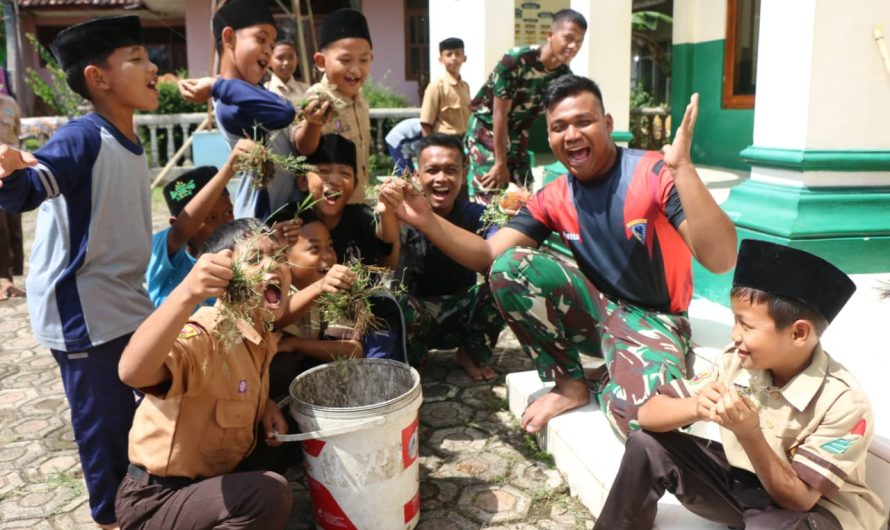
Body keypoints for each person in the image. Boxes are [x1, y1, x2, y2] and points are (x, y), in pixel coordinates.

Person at [384, 74, 737, 437]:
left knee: (638, 419)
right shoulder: (554, 195)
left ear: (608, 124)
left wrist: (683, 169)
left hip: (653, 319)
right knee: (511, 268)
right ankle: (569, 384)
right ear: (550, 136)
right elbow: (489, 254)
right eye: (559, 127)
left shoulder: (652, 172)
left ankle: (612, 377)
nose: (571, 135)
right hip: (595, 310)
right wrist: (425, 219)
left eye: (584, 121)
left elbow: (721, 259)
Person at [594, 239, 886, 530]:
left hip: (818, 513)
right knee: (648, 444)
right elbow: (646, 415)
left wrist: (750, 433)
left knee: (777, 525)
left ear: (798, 334)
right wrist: (696, 406)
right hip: (751, 489)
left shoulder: (843, 401)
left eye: (746, 325)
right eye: (734, 321)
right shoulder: (736, 361)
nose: (734, 334)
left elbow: (800, 500)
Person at [0, 16, 159, 529]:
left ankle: (147, 491)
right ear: (99, 78)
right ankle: (111, 516)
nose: (153, 66)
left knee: (143, 397)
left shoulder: (128, 137)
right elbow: (32, 185)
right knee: (103, 421)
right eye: (136, 57)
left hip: (123, 297)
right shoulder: (83, 136)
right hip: (81, 307)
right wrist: (10, 169)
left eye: (147, 55)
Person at [115, 219, 293, 529]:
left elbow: (234, 389)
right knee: (266, 494)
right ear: (225, 277)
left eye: (277, 256)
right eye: (254, 259)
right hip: (157, 500)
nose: (272, 266)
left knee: (293, 426)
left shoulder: (259, 334)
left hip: (208, 487)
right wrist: (186, 294)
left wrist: (264, 404)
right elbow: (133, 372)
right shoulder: (207, 334)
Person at [271, 133, 407, 361]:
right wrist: (276, 243)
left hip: (352, 313)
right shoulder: (289, 221)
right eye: (323, 171)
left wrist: (387, 214)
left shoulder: (361, 218)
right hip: (298, 316)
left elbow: (387, 261)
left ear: (355, 185)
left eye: (344, 173)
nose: (333, 180)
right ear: (302, 181)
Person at [395, 133, 504, 381]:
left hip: (461, 313)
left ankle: (470, 354)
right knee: (393, 303)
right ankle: (414, 362)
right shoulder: (401, 215)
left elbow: (499, 245)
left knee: (505, 281)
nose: (441, 179)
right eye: (432, 170)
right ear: (416, 174)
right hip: (415, 319)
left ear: (464, 172)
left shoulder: (478, 214)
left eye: (450, 170)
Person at [178, 0, 299, 220]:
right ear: (229, 38)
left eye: (272, 45)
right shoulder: (229, 103)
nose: (268, 51)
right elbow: (284, 112)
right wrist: (218, 85)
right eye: (261, 39)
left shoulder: (252, 92)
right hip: (261, 222)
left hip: (283, 216)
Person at [465, 8, 586, 204]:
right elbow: (499, 114)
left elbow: (555, 119)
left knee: (524, 199)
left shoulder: (564, 76)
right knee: (490, 194)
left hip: (519, 133)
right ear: (550, 35)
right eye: (568, 38)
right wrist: (500, 162)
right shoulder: (516, 60)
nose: (573, 46)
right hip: (487, 131)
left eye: (579, 41)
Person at [147, 141, 252, 307]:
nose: (224, 223)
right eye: (210, 218)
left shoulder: (238, 259)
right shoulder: (163, 253)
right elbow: (181, 231)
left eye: (228, 212)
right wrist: (228, 170)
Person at [292, 8, 373, 204]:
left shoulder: (360, 99)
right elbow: (304, 148)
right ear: (321, 61)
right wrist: (313, 123)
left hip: (359, 200)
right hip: (330, 205)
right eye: (345, 60)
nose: (355, 69)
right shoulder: (317, 97)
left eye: (364, 60)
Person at [420, 37, 471, 137]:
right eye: (448, 55)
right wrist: (430, 147)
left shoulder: (465, 86)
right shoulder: (436, 86)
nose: (454, 58)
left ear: (464, 58)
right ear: (441, 59)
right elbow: (426, 124)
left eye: (458, 54)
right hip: (444, 141)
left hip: (463, 140)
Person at [0, 93, 24, 300]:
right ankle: (3, 279)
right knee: (0, 227)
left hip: (13, 172)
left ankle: (12, 278)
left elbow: (17, 131)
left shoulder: (9, 104)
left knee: (14, 224)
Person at [265, 31, 310, 109]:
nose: (286, 63)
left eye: (290, 57)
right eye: (280, 58)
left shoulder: (307, 90)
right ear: (269, 61)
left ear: (297, 60)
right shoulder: (264, 91)